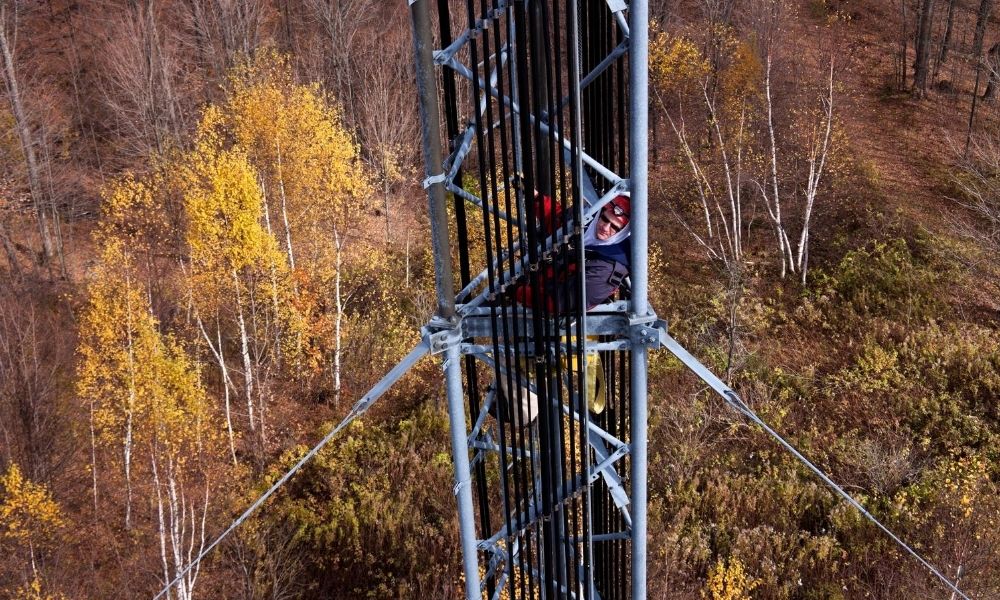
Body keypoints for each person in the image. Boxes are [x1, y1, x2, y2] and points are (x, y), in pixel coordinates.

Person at [512, 191, 632, 312]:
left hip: (544, 315)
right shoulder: (586, 224)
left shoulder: (606, 270)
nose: (605, 227)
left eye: (614, 227)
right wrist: (537, 197)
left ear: (623, 232)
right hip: (534, 284)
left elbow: (556, 302)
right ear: (600, 214)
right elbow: (557, 220)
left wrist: (517, 291)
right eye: (605, 219)